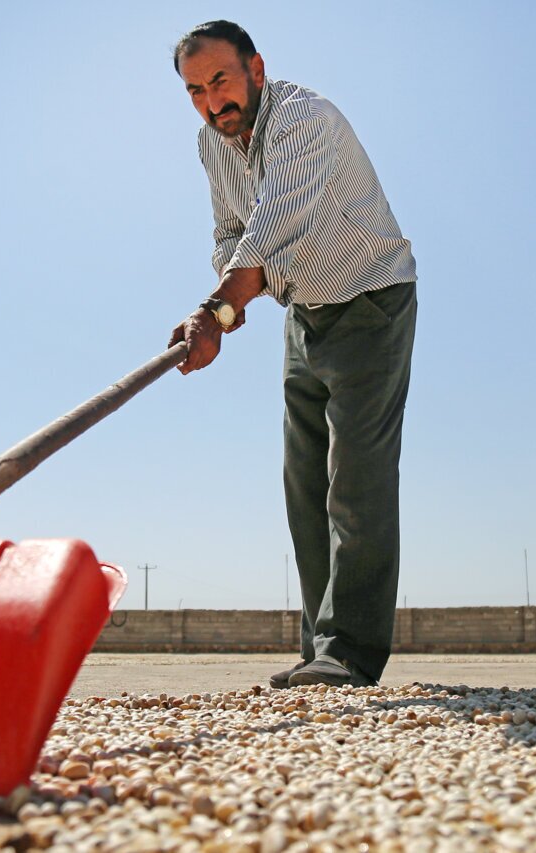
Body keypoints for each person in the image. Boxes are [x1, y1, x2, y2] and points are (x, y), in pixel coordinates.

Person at [168, 20, 417, 689]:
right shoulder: (211, 144)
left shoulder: (302, 118)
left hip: (369, 298)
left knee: (355, 476)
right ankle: (319, 649)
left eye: (220, 80)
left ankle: (350, 652)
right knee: (303, 480)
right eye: (195, 90)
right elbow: (231, 231)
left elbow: (277, 222)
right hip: (305, 312)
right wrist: (230, 298)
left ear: (255, 68)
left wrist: (217, 311)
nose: (212, 102)